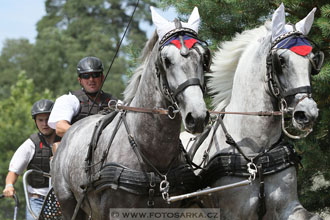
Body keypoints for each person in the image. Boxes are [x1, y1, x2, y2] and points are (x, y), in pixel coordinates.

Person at [3, 99, 60, 220]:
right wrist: (9, 186)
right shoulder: (30, 144)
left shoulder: (66, 140)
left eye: (48, 119)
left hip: (62, 200)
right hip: (37, 200)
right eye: (40, 120)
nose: (44, 124)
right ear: (35, 121)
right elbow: (13, 172)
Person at [48, 56, 117, 138]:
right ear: (79, 80)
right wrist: (87, 134)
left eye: (95, 75)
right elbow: (60, 128)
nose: (91, 79)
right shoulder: (70, 100)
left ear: (102, 78)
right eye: (86, 76)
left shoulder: (115, 102)